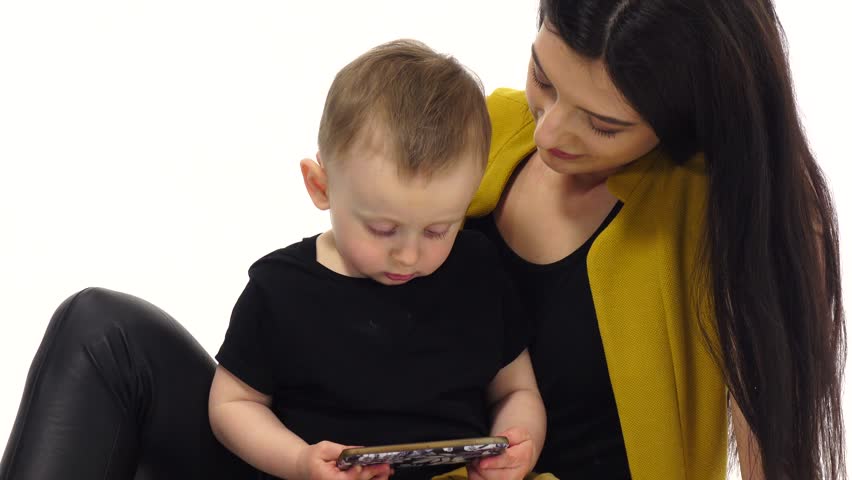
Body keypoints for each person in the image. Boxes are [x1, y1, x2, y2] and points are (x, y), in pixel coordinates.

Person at [0, 1, 845, 479]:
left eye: (605, 122)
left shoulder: (721, 220)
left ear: (686, 120)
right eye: (545, 79)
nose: (552, 129)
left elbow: (776, 450)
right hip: (332, 464)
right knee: (102, 332)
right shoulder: (499, 130)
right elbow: (353, 256)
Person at [207, 39, 544, 480]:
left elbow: (516, 390)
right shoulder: (280, 289)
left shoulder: (477, 271)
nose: (408, 254)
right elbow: (232, 405)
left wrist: (518, 445)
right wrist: (298, 461)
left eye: (438, 230)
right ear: (320, 186)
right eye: (383, 230)